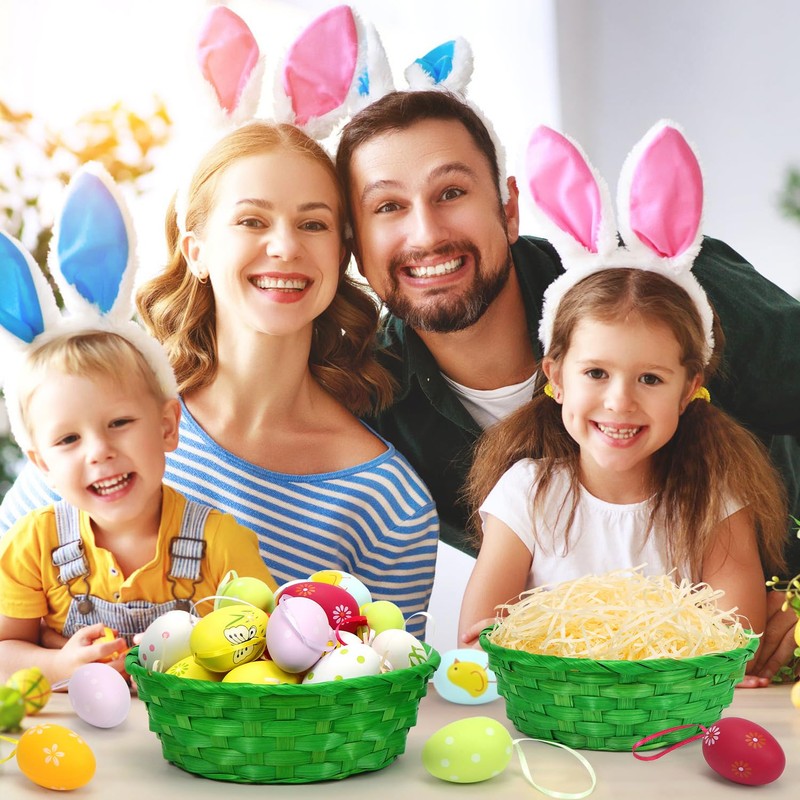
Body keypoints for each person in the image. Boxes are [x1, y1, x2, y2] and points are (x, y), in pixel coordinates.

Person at [334, 89, 800, 680]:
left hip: (747, 673)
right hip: (577, 707)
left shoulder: (658, 287)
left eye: (451, 193)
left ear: (507, 208)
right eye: (388, 208)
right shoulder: (373, 395)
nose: (426, 234)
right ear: (354, 244)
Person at [1, 122, 439, 639]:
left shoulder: (388, 503)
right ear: (196, 251)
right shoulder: (102, 425)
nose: (284, 246)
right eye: (252, 220)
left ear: (340, 254)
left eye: (314, 225)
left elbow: (379, 693)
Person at [456, 268, 786, 660]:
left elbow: (734, 651)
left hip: (674, 714)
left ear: (687, 390)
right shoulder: (526, 493)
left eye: (650, 378)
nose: (620, 401)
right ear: (557, 377)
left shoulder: (715, 501)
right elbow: (477, 648)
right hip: (552, 712)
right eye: (596, 373)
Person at [0, 331, 277, 684]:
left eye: (119, 423)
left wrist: (194, 660)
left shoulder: (222, 544)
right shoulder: (33, 544)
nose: (99, 451)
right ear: (44, 467)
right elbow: (6, 648)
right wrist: (60, 666)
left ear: (167, 427)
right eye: (69, 439)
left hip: (192, 734)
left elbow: (269, 652)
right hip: (75, 735)